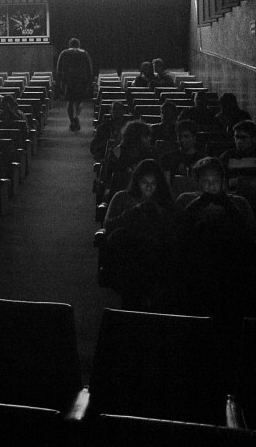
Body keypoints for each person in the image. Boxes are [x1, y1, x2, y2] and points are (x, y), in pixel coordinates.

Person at [175, 157, 256, 334]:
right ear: (198, 183)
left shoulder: (239, 203)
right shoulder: (186, 200)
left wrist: (226, 203)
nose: (211, 186)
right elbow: (177, 234)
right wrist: (199, 204)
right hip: (196, 266)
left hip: (231, 267)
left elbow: (249, 237)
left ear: (223, 182)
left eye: (215, 181)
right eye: (206, 181)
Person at [103, 159, 178, 311]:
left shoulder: (165, 203)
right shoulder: (122, 197)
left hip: (157, 254)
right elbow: (109, 226)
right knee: (120, 236)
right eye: (145, 182)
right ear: (137, 181)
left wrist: (157, 213)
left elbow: (173, 228)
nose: (149, 187)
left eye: (153, 183)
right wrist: (136, 211)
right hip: (130, 253)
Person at [56, 37, 93, 131]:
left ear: (69, 44)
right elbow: (89, 69)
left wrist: (60, 83)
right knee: (79, 101)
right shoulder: (84, 53)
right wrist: (89, 82)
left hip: (68, 80)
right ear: (78, 44)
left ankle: (72, 120)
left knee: (70, 101)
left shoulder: (64, 53)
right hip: (81, 80)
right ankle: (76, 116)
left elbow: (59, 69)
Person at [160, 119, 205, 190]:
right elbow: (166, 185)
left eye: (186, 136)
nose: (182, 140)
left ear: (194, 137)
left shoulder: (203, 160)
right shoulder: (168, 157)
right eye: (180, 136)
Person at [219, 119, 256, 190]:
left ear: (254, 138)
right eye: (236, 137)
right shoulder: (227, 156)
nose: (239, 141)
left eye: (243, 138)